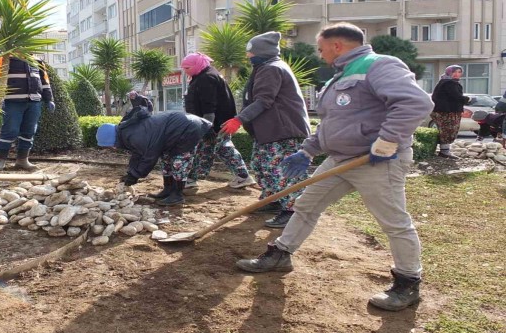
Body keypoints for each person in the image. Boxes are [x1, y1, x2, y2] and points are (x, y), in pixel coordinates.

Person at [236, 23, 434, 312]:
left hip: (376, 162)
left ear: (336, 45)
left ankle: (407, 282)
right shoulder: (339, 76)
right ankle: (280, 254)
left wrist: (387, 142)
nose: (319, 54)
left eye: (320, 48)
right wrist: (307, 150)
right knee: (306, 205)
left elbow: (416, 103)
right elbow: (332, 124)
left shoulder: (379, 65)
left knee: (394, 222)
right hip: (340, 159)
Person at [220, 31, 311, 228]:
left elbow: (264, 100)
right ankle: (273, 200)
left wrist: (239, 119)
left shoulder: (271, 68)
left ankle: (291, 210)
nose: (248, 56)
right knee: (262, 166)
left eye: (250, 52)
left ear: (262, 52)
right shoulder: (265, 67)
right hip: (269, 132)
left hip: (283, 131)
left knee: (279, 170)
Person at [96, 93, 212, 206]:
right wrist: (131, 173)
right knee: (166, 160)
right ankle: (168, 190)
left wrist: (135, 175)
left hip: (187, 129)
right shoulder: (126, 133)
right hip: (173, 132)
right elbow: (138, 154)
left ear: (111, 139)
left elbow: (149, 156)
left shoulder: (134, 136)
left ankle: (177, 195)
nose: (112, 148)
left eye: (109, 145)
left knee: (179, 162)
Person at [180, 52, 254, 191]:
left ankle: (190, 179)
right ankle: (242, 176)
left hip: (212, 124)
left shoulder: (206, 78)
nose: (185, 71)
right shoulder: (208, 74)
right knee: (223, 148)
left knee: (201, 150)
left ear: (197, 65)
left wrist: (207, 127)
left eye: (187, 68)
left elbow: (209, 105)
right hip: (218, 122)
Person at [0, 57, 55, 170]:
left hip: (34, 102)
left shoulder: (38, 60)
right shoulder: (3, 58)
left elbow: (45, 81)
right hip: (12, 102)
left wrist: (49, 99)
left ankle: (22, 160)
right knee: (10, 130)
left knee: (29, 131)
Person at [430, 65, 469, 158]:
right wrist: (467, 99)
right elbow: (455, 96)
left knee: (446, 131)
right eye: (454, 72)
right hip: (447, 112)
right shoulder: (449, 83)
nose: (457, 74)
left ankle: (444, 151)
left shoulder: (446, 82)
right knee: (448, 131)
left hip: (446, 111)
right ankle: (444, 152)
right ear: (449, 72)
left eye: (459, 72)